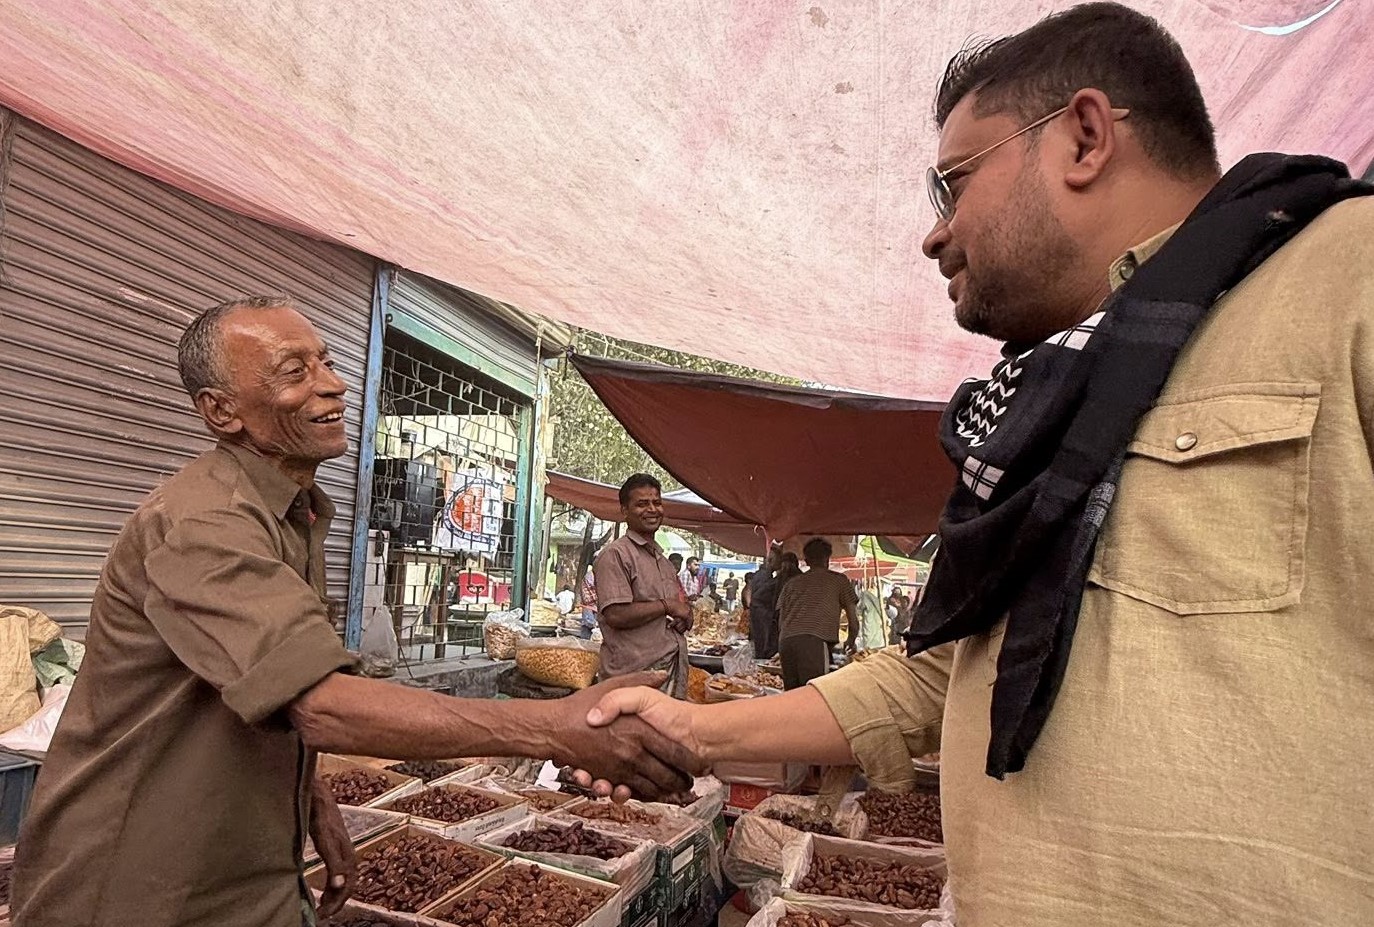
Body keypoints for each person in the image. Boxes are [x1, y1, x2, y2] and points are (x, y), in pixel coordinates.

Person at [576, 5, 1374, 924]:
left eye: (954, 183)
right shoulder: (1047, 404)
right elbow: (943, 674)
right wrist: (697, 729)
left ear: (1083, 137)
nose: (935, 233)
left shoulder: (1343, 281)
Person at [9, 297, 697, 927]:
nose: (333, 384)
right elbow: (319, 704)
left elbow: (255, 693)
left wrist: (308, 798)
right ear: (222, 412)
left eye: (327, 362)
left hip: (248, 874)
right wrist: (552, 727)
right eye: (292, 371)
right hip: (134, 889)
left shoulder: (293, 512)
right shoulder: (201, 522)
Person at [593, 474, 692, 699]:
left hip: (666, 672)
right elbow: (616, 615)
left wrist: (682, 616)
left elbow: (666, 611)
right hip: (632, 677)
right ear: (625, 511)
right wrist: (667, 606)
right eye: (641, 504)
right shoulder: (616, 554)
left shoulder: (663, 561)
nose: (652, 509)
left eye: (656, 502)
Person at [775, 538, 858, 689]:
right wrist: (851, 641)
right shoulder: (839, 581)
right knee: (813, 692)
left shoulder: (792, 583)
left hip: (786, 642)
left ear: (806, 561)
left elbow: (781, 621)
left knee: (791, 695)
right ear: (827, 558)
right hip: (814, 642)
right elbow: (853, 620)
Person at [746, 548, 781, 659]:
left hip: (761, 618)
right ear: (770, 560)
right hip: (761, 619)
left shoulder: (765, 575)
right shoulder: (763, 576)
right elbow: (758, 598)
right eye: (778, 560)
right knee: (763, 650)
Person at [578, 564, 599, 639]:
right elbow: (591, 597)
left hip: (594, 608)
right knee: (588, 626)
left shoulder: (596, 574)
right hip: (590, 607)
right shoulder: (590, 575)